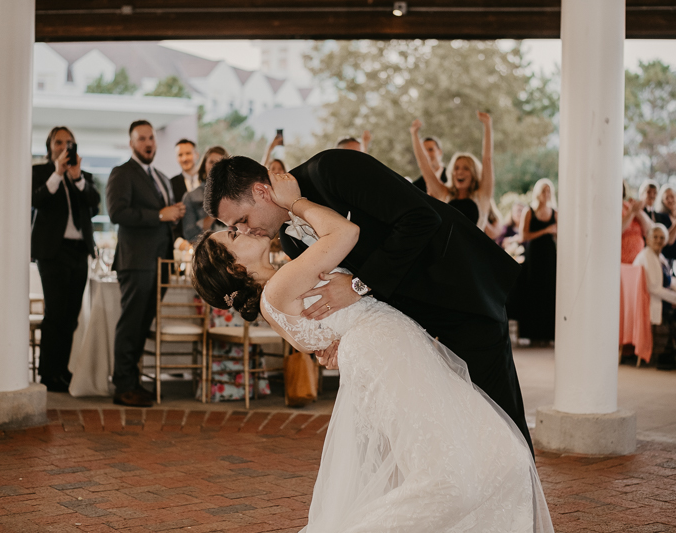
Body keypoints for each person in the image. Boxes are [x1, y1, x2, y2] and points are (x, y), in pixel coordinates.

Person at [192, 172, 553, 532]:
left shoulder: (281, 283)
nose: (246, 229)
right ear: (233, 266)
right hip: (386, 354)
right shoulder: (279, 288)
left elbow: (324, 333)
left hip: (395, 348)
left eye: (238, 224)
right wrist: (295, 203)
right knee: (446, 479)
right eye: (235, 233)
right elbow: (346, 234)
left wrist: (337, 339)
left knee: (501, 455)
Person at [204, 151, 533, 453]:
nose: (246, 231)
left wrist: (360, 286)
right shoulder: (291, 242)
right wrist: (336, 339)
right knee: (461, 432)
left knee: (500, 420)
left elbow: (420, 219)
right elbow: (335, 297)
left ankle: (522, 511)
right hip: (412, 329)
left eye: (242, 221)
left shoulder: (332, 170)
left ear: (261, 192)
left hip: (457, 292)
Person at [106, 120, 185, 407]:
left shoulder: (161, 177)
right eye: (141, 139)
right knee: (131, 324)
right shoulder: (122, 173)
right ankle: (123, 385)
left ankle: (133, 381)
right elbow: (117, 212)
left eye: (151, 138)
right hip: (136, 260)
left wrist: (175, 214)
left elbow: (165, 214)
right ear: (131, 143)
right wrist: (160, 215)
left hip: (160, 261)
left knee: (142, 325)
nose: (148, 143)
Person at [31, 126, 101, 392]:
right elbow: (36, 200)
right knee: (55, 313)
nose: (64, 147)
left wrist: (77, 177)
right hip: (52, 251)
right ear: (50, 146)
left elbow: (95, 204)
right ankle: (48, 373)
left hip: (78, 250)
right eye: (58, 142)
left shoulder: (82, 174)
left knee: (71, 316)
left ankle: (62, 370)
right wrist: (58, 173)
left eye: (69, 142)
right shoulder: (40, 171)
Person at [411, 112, 494, 231]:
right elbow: (424, 166)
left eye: (466, 168)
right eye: (456, 168)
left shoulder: (482, 195)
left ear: (473, 174)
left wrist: (487, 125)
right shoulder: (445, 194)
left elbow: (487, 160)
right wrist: (414, 134)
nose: (460, 172)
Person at [634, 224, 676, 369]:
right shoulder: (647, 257)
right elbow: (655, 289)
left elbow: (670, 281)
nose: (659, 240)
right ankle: (672, 354)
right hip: (651, 301)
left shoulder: (659, 256)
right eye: (655, 237)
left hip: (662, 298)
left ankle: (675, 353)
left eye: (662, 238)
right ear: (647, 239)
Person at [517, 179, 558, 343]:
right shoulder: (529, 211)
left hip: (549, 254)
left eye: (549, 191)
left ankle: (548, 335)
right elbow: (523, 236)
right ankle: (532, 334)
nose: (546, 194)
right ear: (537, 193)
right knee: (533, 289)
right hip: (534, 254)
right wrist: (546, 230)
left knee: (548, 290)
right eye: (543, 190)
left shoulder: (555, 212)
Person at [182, 146, 228, 243]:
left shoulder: (235, 196)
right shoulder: (191, 197)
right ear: (204, 165)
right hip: (203, 250)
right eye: (211, 162)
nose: (215, 166)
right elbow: (188, 234)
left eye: (219, 163)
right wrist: (213, 213)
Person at [169, 139, 199, 247]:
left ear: (197, 155)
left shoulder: (209, 182)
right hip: (183, 246)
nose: (184, 158)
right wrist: (179, 242)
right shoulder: (170, 184)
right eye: (180, 155)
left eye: (188, 153)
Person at [621, 182, 652, 264]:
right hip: (620, 261)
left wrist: (637, 211)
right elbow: (618, 230)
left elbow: (649, 231)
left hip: (638, 260)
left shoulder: (628, 206)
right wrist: (631, 213)